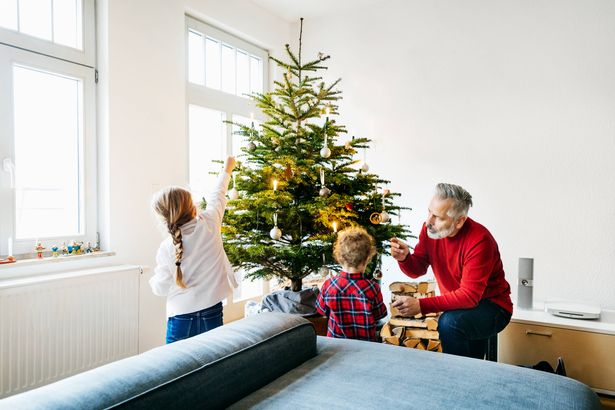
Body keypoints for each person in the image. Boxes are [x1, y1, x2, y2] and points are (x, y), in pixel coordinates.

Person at [390, 183, 512, 359]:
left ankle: (455, 381)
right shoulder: (430, 230)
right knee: (472, 361)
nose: (428, 221)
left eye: (437, 217)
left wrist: (420, 305)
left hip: (493, 307)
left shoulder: (480, 241)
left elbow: (469, 296)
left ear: (459, 221)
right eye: (429, 212)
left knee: (450, 323)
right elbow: (418, 269)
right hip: (462, 306)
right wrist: (405, 258)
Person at [150, 156, 239, 344]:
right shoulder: (210, 223)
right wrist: (227, 169)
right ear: (192, 207)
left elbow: (161, 287)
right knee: (213, 361)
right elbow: (218, 195)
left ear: (164, 217)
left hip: (180, 318)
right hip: (212, 311)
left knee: (177, 369)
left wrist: (153, 282)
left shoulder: (167, 247)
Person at [316, 226, 388, 342]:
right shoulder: (372, 288)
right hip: (367, 346)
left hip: (336, 345)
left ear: (339, 257)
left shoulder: (329, 285)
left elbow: (321, 311)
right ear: (367, 259)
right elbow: (380, 314)